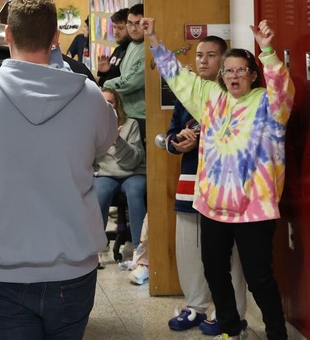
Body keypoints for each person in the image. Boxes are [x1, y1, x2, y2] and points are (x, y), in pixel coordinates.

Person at [0, 0, 118, 340]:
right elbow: (105, 142)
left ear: (7, 36)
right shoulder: (89, 96)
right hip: (73, 271)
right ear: (56, 37)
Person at [146, 18, 294, 340]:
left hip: (254, 208)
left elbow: (282, 85)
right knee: (214, 270)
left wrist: (267, 50)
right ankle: (229, 329)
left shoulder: (269, 105)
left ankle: (277, 334)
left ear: (254, 76)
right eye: (228, 71)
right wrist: (155, 38)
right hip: (213, 205)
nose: (233, 76)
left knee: (258, 279)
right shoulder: (212, 97)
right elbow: (178, 76)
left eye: (241, 70)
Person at [156, 36, 248, 336]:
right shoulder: (187, 95)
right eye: (199, 55)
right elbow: (170, 137)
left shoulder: (237, 98)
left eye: (211, 55)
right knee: (189, 250)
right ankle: (195, 306)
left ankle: (230, 313)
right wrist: (179, 144)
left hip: (225, 190)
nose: (203, 61)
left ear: (225, 61)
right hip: (190, 184)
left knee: (228, 256)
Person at [94, 88, 146, 268]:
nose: (107, 106)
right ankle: (96, 248)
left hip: (132, 172)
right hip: (106, 173)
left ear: (118, 106)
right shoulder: (92, 125)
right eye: (103, 103)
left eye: (111, 102)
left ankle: (139, 249)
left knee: (136, 191)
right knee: (99, 192)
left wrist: (118, 141)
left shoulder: (130, 124)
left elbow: (132, 160)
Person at [103, 3, 147, 140]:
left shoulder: (148, 48)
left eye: (138, 24)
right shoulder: (132, 44)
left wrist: (104, 86)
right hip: (126, 113)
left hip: (141, 116)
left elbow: (130, 82)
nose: (133, 29)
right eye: (130, 23)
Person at [96, 8, 130, 87]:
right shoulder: (118, 49)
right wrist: (103, 72)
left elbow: (125, 83)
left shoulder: (132, 50)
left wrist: (100, 80)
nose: (116, 32)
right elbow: (111, 79)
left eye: (121, 28)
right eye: (114, 27)